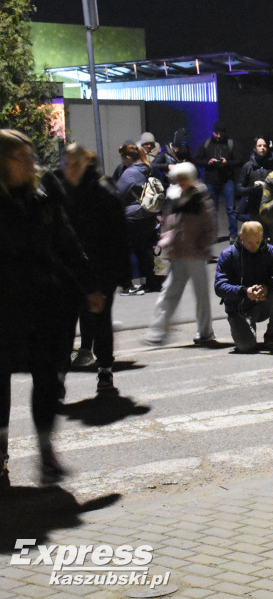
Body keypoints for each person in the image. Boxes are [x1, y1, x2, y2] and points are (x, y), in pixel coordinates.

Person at [1, 130, 105, 485]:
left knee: (47, 379)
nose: (33, 164)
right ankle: (1, 452)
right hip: (4, 307)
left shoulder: (44, 194)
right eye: (23, 158)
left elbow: (67, 240)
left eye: (32, 156)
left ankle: (46, 453)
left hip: (45, 303)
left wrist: (90, 284)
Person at [57, 144, 130, 394]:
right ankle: (59, 373)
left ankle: (105, 370)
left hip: (100, 270)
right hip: (69, 270)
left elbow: (119, 235)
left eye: (75, 163)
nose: (70, 169)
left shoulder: (102, 191)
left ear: (85, 164)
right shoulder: (61, 190)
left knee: (100, 321)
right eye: (67, 164)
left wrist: (120, 274)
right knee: (64, 320)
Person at [143, 162, 217, 346]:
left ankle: (205, 333)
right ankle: (157, 332)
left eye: (184, 179)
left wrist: (201, 246)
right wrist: (168, 238)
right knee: (169, 294)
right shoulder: (177, 196)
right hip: (179, 253)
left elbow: (210, 227)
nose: (181, 182)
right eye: (179, 179)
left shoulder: (199, 198)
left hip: (195, 255)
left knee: (199, 296)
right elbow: (172, 223)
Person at [214, 221, 273, 353]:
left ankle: (271, 334)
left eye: (257, 241)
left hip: (263, 302)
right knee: (247, 347)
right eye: (249, 242)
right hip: (240, 308)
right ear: (241, 236)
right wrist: (244, 291)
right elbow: (220, 286)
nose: (254, 246)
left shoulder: (271, 251)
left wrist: (267, 287)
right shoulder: (228, 255)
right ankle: (246, 328)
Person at [116, 142, 159, 294]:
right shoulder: (147, 168)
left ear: (128, 157)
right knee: (145, 249)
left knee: (128, 249)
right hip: (148, 214)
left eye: (123, 158)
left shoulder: (129, 173)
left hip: (133, 216)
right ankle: (150, 281)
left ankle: (131, 285)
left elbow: (117, 194)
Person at [195, 121, 240, 241]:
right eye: (216, 133)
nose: (218, 136)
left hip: (227, 180)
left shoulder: (230, 143)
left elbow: (239, 161)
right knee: (212, 210)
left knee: (231, 209)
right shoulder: (207, 144)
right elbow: (197, 160)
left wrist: (227, 162)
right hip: (211, 180)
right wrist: (208, 162)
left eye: (220, 133)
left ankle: (233, 234)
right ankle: (212, 235)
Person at [237, 137, 273, 221]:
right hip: (253, 204)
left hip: (269, 203)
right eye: (259, 146)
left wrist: (268, 186)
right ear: (254, 149)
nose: (262, 148)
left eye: (264, 146)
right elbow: (239, 188)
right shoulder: (248, 166)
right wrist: (252, 188)